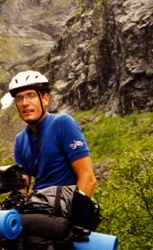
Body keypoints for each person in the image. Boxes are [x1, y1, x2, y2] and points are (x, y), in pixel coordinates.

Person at [8, 70, 97, 198]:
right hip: (40, 207)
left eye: (31, 95)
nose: (25, 103)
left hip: (67, 205)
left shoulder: (62, 123)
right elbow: (22, 189)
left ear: (45, 99)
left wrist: (75, 213)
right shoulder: (20, 139)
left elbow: (88, 178)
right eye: (19, 98)